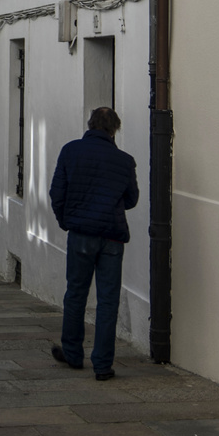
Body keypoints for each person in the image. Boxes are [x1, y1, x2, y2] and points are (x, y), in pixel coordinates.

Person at [49, 106, 138, 381]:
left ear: (90, 125)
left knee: (75, 293)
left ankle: (73, 354)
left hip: (81, 234)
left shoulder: (70, 151)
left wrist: (67, 221)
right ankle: (102, 365)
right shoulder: (124, 161)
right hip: (111, 237)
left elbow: (57, 192)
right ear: (114, 130)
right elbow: (132, 199)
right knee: (107, 301)